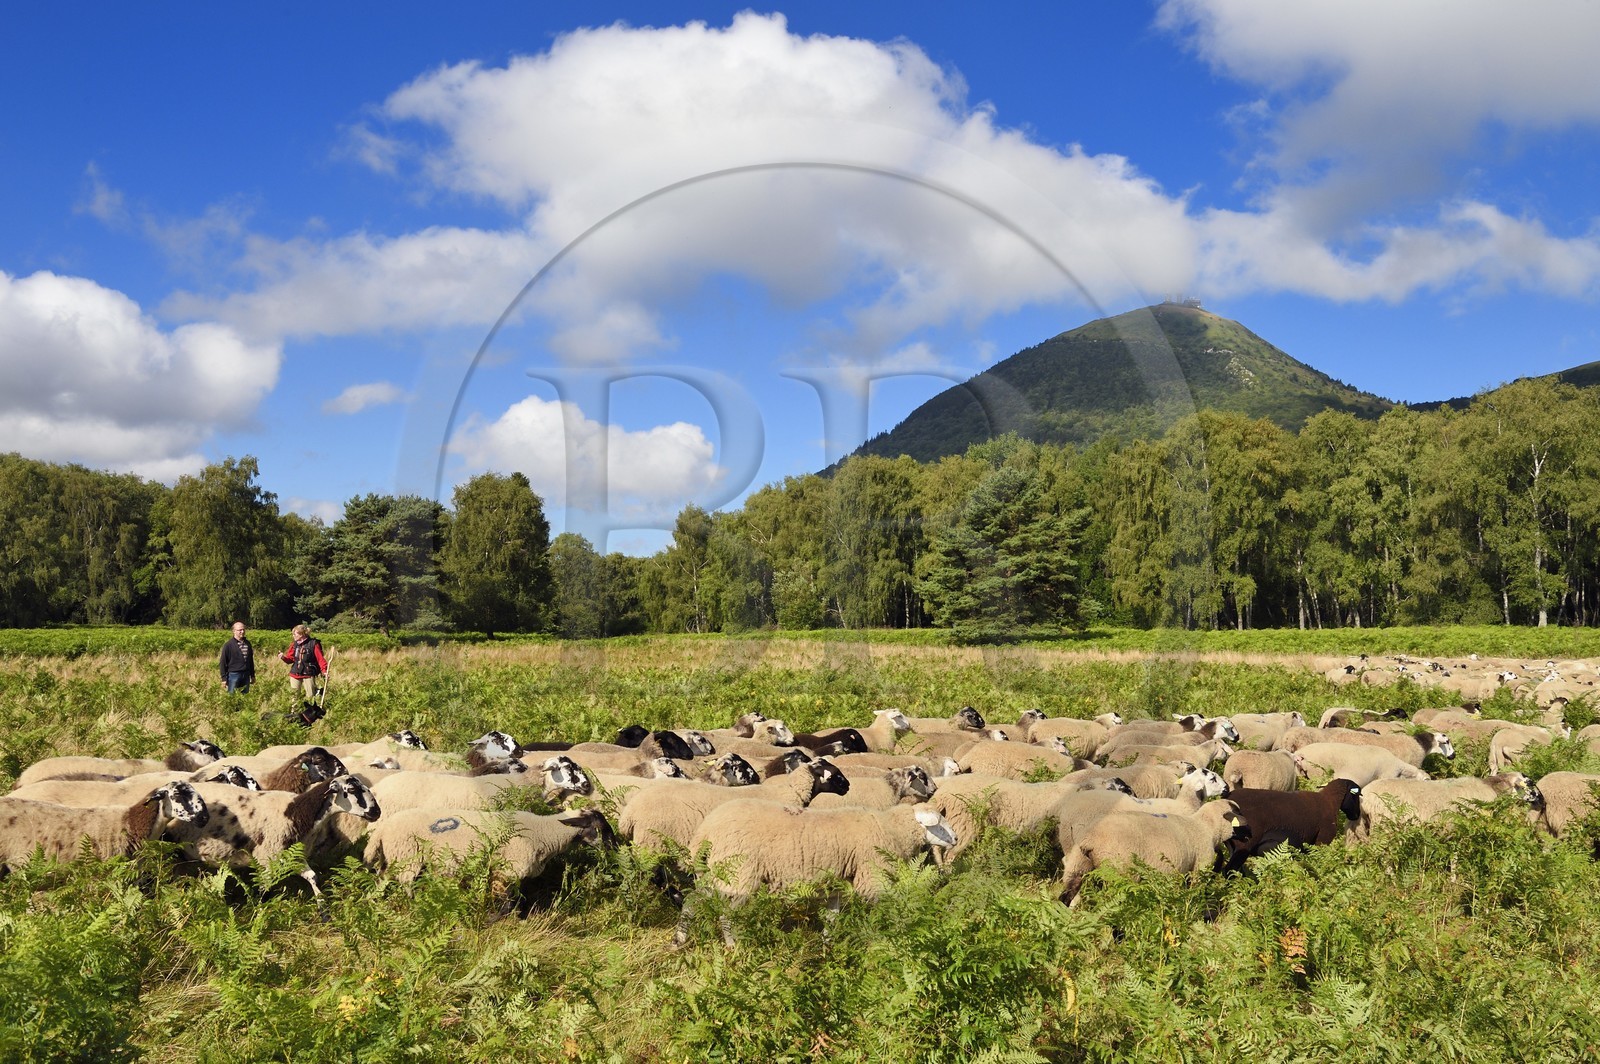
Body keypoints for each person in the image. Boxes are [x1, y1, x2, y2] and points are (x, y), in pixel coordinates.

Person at [280, 624, 328, 722]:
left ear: (302, 634)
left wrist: (324, 671)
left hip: (308, 673)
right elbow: (290, 659)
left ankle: (309, 718)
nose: (293, 636)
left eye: (295, 634)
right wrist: (283, 657)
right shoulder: (294, 644)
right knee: (294, 697)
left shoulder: (313, 644)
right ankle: (294, 718)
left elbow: (320, 659)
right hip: (295, 673)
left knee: (310, 696)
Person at [219, 621, 255, 694]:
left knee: (245, 696)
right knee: (232, 697)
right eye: (240, 630)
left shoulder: (248, 644)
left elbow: (250, 661)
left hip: (246, 674)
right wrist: (224, 678)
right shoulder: (228, 645)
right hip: (233, 675)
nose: (242, 631)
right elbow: (223, 662)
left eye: (243, 629)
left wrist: (252, 675)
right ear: (234, 631)